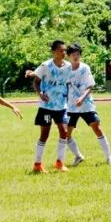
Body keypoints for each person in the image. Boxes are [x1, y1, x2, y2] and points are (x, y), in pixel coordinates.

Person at [54, 43, 111, 167]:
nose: (76, 57)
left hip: (86, 104)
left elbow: (90, 86)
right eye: (73, 55)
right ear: (68, 56)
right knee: (66, 133)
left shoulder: (85, 68)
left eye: (78, 54)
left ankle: (109, 158)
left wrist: (82, 98)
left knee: (97, 128)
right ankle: (78, 156)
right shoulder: (65, 69)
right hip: (71, 106)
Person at [29, 40, 73, 173]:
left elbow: (68, 83)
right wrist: (40, 93)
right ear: (53, 52)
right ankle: (37, 164)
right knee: (45, 134)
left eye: (64, 50)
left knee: (64, 132)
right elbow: (36, 82)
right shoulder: (45, 66)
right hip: (47, 107)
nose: (63, 53)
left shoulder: (68, 66)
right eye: (61, 50)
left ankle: (60, 162)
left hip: (61, 106)